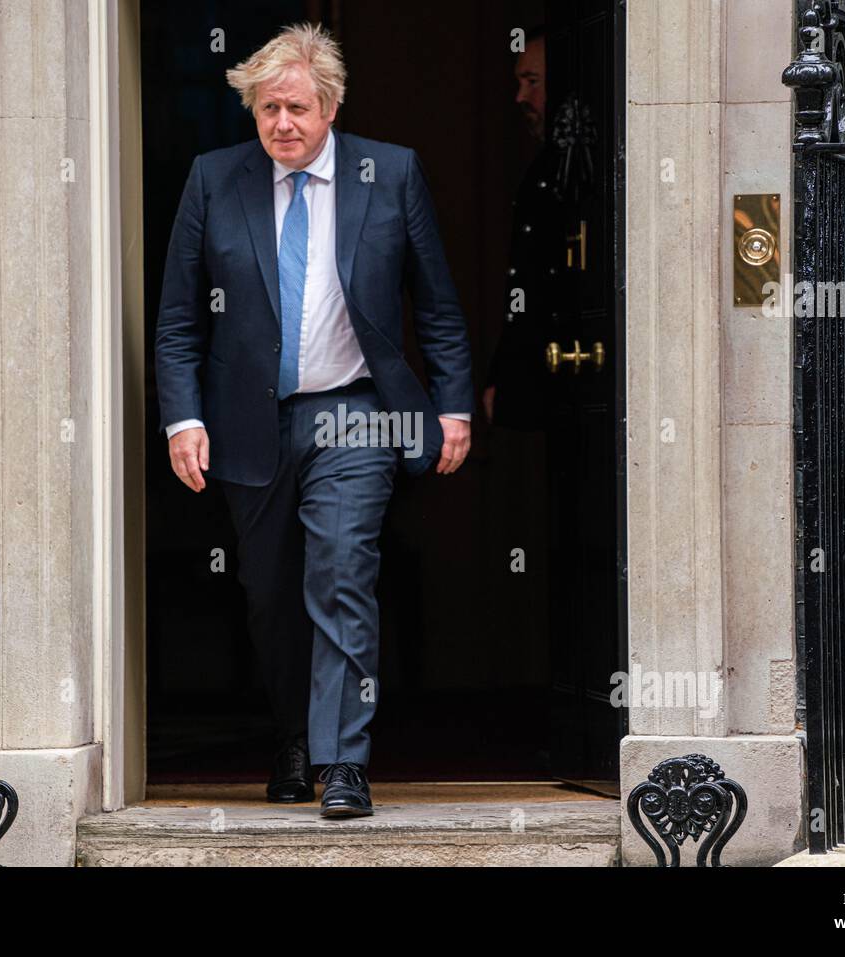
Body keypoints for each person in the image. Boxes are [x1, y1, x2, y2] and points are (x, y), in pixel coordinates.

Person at [154, 23, 473, 817]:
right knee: (269, 595)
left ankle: (343, 761)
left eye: (296, 107)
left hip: (355, 413)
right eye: (268, 110)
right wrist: (181, 418)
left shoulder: (389, 174)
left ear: (330, 106)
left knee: (341, 573)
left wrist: (454, 404)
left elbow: (435, 303)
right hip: (247, 423)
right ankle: (293, 737)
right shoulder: (213, 180)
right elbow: (179, 321)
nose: (281, 125)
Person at [483, 26, 560, 430]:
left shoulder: (578, 169)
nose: (520, 97)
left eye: (532, 82)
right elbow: (522, 283)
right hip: (533, 375)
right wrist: (502, 372)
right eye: (519, 83)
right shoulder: (541, 169)